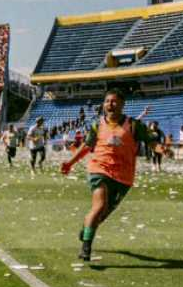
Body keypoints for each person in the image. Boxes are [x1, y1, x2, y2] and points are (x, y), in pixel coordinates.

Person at [60, 91, 152, 261]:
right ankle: (86, 248)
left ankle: (86, 228)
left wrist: (162, 149)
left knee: (102, 215)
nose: (110, 104)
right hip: (99, 169)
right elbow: (87, 147)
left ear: (122, 105)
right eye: (107, 101)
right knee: (99, 206)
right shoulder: (97, 125)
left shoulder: (133, 125)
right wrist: (70, 163)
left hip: (124, 176)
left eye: (114, 101)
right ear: (103, 105)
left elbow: (152, 142)